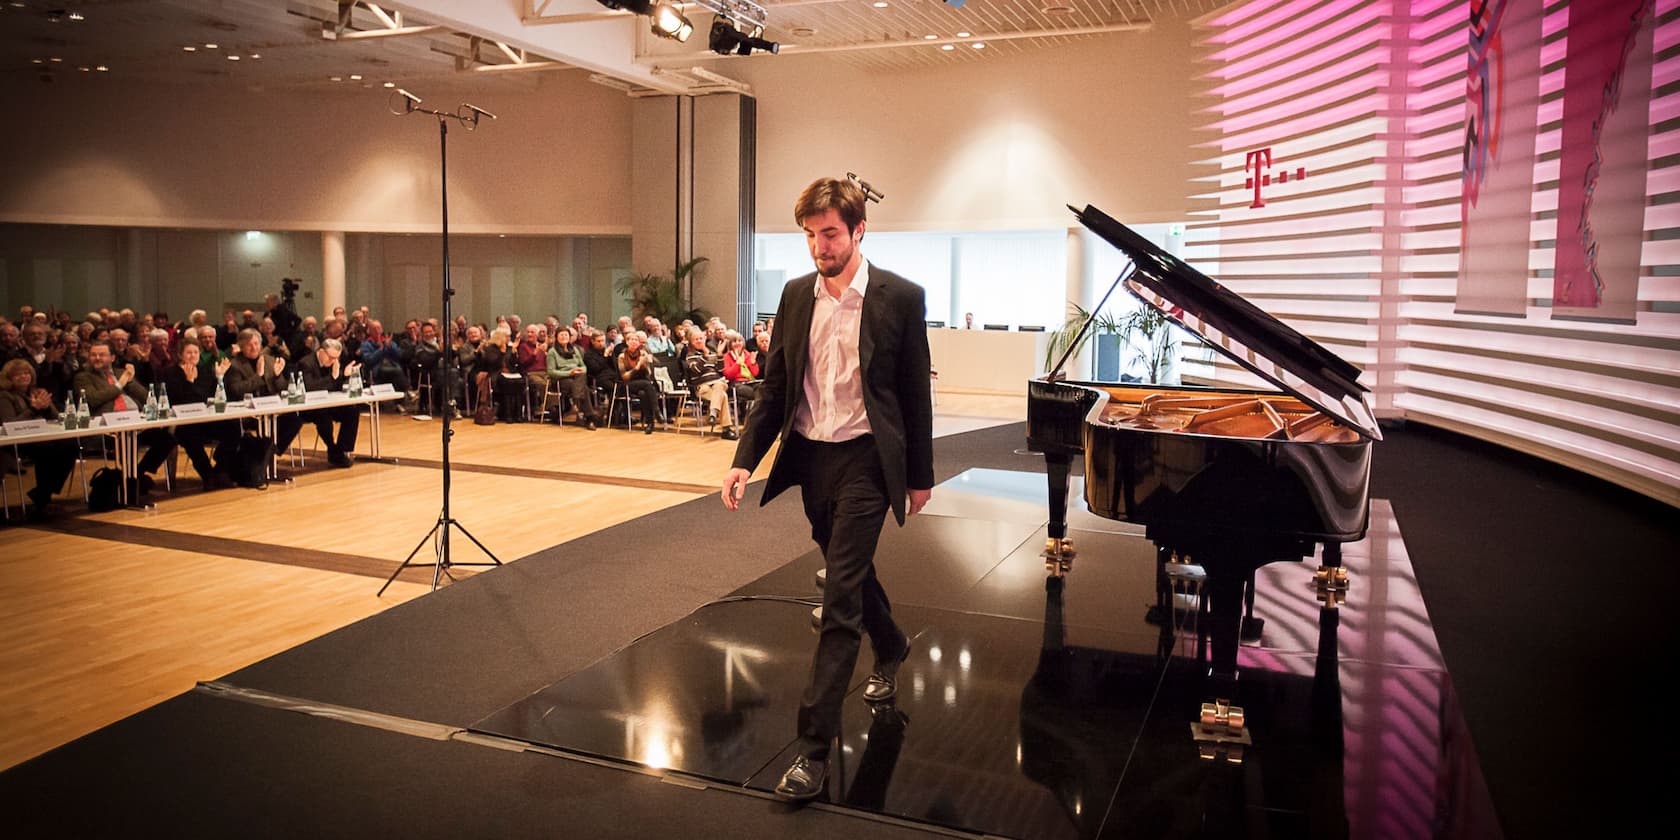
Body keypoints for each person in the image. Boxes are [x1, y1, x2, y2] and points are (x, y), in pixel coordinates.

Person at [720, 177, 935, 802]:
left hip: (869, 459)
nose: (820, 245)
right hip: (812, 459)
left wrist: (919, 474)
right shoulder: (793, 297)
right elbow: (775, 387)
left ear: (859, 230)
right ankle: (891, 643)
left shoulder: (900, 297)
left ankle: (812, 751)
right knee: (850, 571)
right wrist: (744, 461)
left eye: (831, 233)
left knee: (840, 597)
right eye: (811, 235)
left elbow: (914, 395)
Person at [73, 340, 178, 495]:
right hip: (106, 429)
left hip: (135, 425)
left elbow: (145, 396)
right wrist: (119, 385)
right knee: (126, 441)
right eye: (93, 355)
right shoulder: (83, 377)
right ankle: (131, 483)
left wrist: (129, 381)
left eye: (102, 355)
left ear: (112, 358)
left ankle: (138, 474)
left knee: (167, 439)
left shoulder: (121, 373)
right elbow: (93, 399)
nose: (97, 358)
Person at [0, 358, 76, 516]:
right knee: (47, 449)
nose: (24, 377)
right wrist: (33, 409)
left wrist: (47, 407)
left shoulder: (36, 392)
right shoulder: (5, 397)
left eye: (27, 373)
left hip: (42, 436)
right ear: (9, 378)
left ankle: (42, 492)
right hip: (17, 441)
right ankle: (43, 497)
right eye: (18, 375)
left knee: (70, 444)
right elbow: (9, 425)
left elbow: (57, 418)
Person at [162, 341, 238, 488]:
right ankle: (207, 475)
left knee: (233, 428)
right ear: (180, 355)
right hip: (182, 422)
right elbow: (177, 400)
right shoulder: (171, 373)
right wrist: (189, 382)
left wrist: (220, 378)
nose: (193, 356)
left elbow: (213, 397)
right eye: (189, 353)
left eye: (196, 352)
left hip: (205, 419)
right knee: (189, 435)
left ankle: (221, 470)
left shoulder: (204, 371)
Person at [296, 338, 361, 468]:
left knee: (352, 410)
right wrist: (333, 377)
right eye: (330, 357)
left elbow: (335, 385)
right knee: (323, 416)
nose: (333, 361)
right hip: (309, 407)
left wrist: (345, 376)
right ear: (321, 352)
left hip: (328, 403)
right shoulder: (306, 363)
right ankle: (333, 449)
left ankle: (343, 450)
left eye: (336, 358)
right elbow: (309, 387)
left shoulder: (334, 362)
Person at [683, 329, 737, 440]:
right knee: (723, 396)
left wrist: (719, 354)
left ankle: (713, 412)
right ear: (691, 342)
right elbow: (696, 370)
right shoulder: (690, 356)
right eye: (696, 339)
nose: (699, 341)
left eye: (701, 338)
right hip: (703, 387)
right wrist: (705, 355)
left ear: (705, 339)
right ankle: (726, 429)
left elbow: (721, 369)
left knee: (719, 384)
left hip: (718, 383)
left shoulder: (713, 353)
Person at [545, 327, 600, 429]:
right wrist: (569, 373)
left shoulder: (574, 350)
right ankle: (590, 418)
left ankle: (577, 402)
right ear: (556, 337)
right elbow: (551, 372)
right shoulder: (552, 352)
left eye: (566, 335)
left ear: (569, 337)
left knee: (582, 379)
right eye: (561, 335)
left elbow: (583, 366)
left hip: (577, 377)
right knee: (584, 389)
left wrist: (580, 371)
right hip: (560, 379)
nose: (564, 337)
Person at [615, 330, 660, 434]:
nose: (634, 342)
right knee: (647, 385)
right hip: (628, 385)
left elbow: (649, 374)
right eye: (632, 340)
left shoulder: (643, 353)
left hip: (643, 384)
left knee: (643, 393)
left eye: (636, 340)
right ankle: (657, 410)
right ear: (627, 342)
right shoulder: (622, 357)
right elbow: (625, 377)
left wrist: (647, 365)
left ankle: (650, 424)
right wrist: (638, 366)